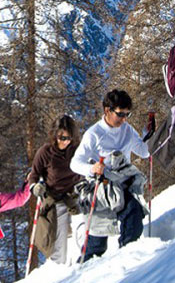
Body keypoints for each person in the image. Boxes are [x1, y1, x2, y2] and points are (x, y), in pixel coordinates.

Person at [70, 89, 150, 262]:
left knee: (133, 214)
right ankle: (81, 274)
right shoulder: (94, 134)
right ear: (107, 110)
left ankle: (128, 260)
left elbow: (144, 152)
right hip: (101, 188)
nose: (124, 119)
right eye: (120, 114)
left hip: (123, 185)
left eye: (127, 114)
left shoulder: (127, 129)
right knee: (96, 245)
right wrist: (92, 169)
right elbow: (75, 163)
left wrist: (148, 135)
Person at [27, 115, 82, 265]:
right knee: (58, 246)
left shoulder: (77, 150)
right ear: (54, 134)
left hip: (75, 198)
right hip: (56, 201)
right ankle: (59, 273)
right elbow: (33, 176)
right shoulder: (45, 152)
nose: (64, 141)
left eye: (68, 138)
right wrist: (35, 187)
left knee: (81, 237)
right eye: (61, 137)